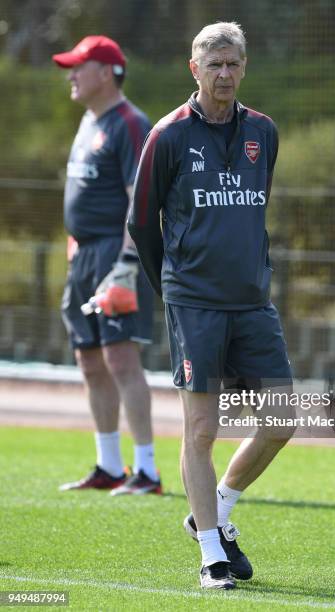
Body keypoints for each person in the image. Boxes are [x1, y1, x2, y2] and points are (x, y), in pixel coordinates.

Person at [128, 22, 293, 589]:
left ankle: (215, 511)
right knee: (201, 430)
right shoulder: (168, 135)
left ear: (244, 67)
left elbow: (255, 207)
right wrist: (170, 286)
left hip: (252, 303)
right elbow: (140, 221)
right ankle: (210, 555)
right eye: (213, 65)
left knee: (282, 419)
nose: (224, 74)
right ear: (193, 69)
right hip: (194, 303)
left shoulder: (263, 132)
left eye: (233, 64)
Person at [53, 35, 161, 496]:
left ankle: (148, 471)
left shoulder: (131, 123)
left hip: (117, 257)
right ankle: (109, 465)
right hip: (84, 255)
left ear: (107, 72)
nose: (71, 75)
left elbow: (137, 200)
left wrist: (126, 263)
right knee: (89, 359)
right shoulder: (87, 121)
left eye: (80, 66)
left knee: (121, 358)